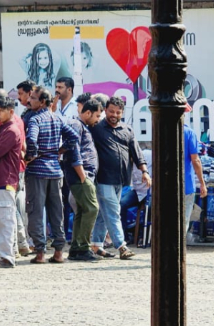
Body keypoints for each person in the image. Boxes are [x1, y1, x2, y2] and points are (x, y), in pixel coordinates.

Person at [25, 86, 82, 264]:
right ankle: (58, 252)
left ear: (42, 102)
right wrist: (59, 150)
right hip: (55, 171)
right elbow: (74, 137)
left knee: (35, 211)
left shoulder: (35, 120)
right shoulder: (58, 119)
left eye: (33, 98)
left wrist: (30, 156)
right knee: (57, 212)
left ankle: (40, 252)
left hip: (37, 171)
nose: (29, 101)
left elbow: (32, 141)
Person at [90, 97, 149, 260]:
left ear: (122, 113)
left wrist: (144, 171)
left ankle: (96, 244)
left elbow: (137, 153)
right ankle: (121, 246)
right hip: (103, 178)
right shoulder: (96, 129)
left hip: (121, 179)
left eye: (117, 112)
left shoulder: (127, 130)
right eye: (111, 111)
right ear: (105, 110)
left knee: (104, 212)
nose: (114, 115)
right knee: (113, 211)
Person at [0, 96, 23, 268]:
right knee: (2, 219)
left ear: (11, 112)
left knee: (5, 219)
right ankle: (7, 253)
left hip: (5, 179)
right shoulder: (2, 128)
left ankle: (7, 257)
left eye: (1, 111)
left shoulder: (11, 130)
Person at [65, 99, 101, 262]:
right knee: (92, 209)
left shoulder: (82, 126)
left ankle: (76, 248)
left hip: (83, 175)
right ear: (88, 113)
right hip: (81, 175)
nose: (98, 119)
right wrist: (82, 175)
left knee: (82, 211)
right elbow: (74, 150)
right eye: (97, 116)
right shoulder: (77, 124)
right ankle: (83, 247)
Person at [183, 121, 207, 233]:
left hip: (165, 186)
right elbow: (195, 159)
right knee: (184, 220)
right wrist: (202, 183)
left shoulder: (161, 130)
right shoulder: (189, 133)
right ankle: (179, 247)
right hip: (186, 184)